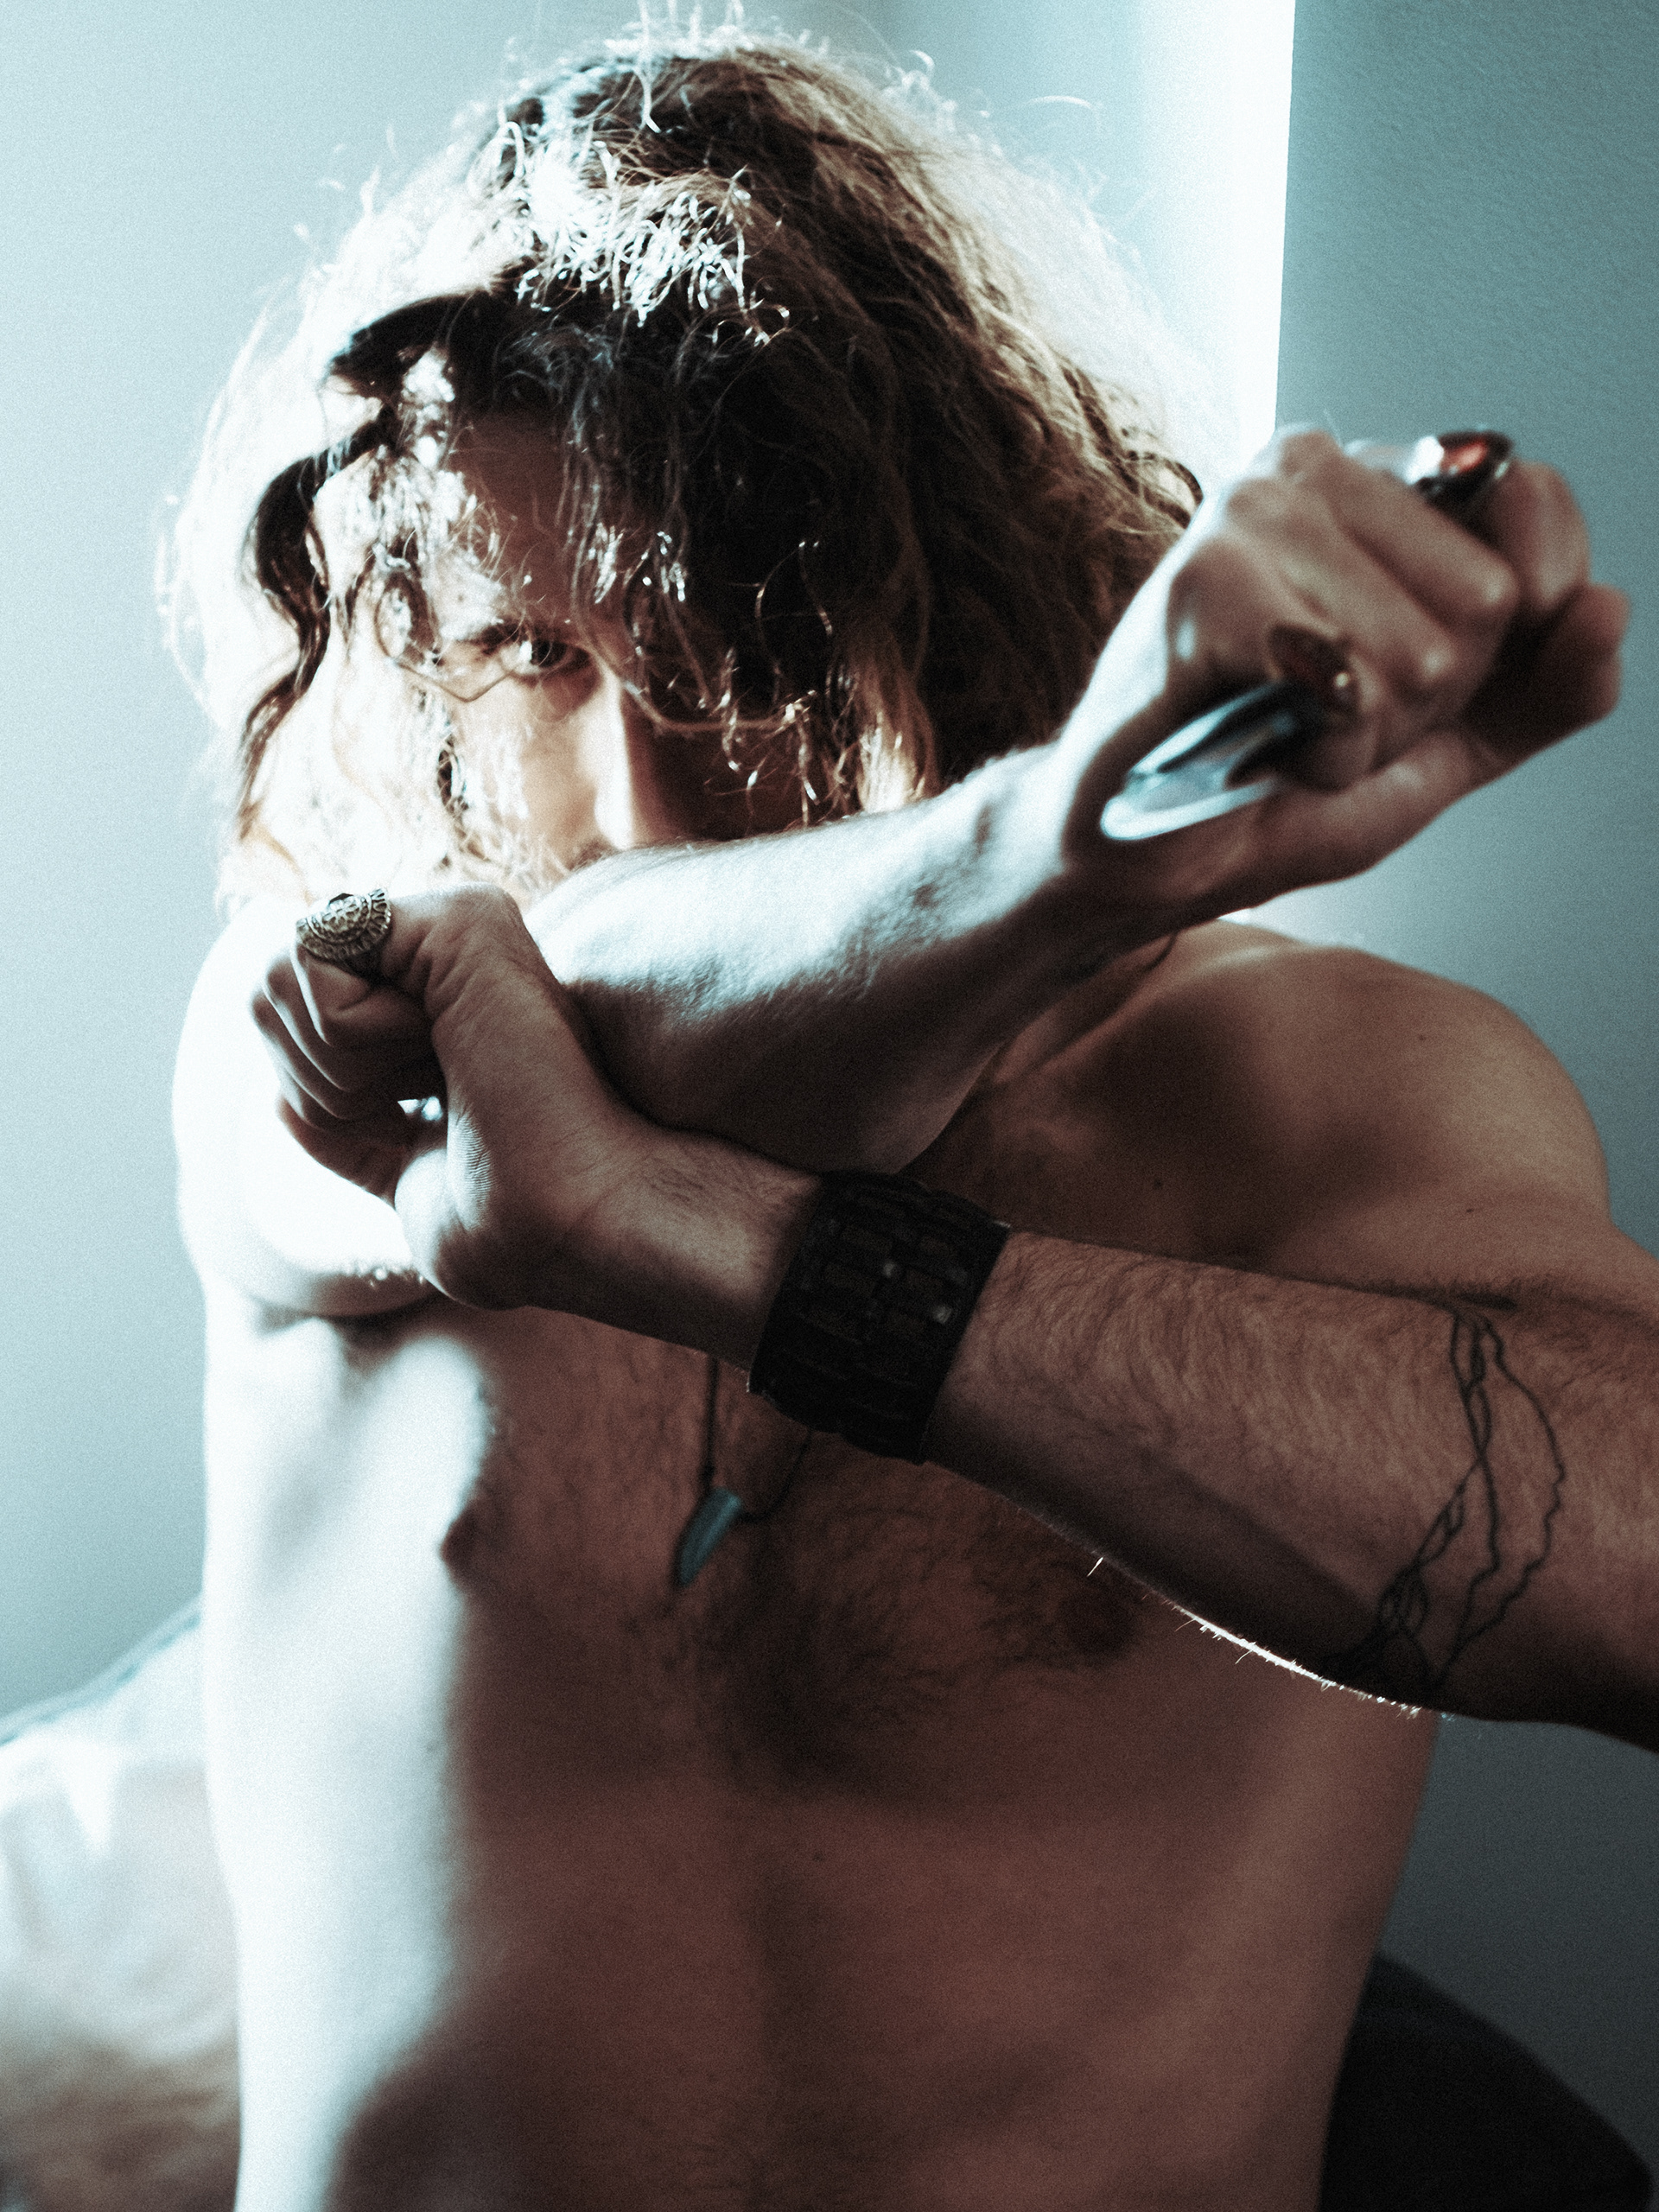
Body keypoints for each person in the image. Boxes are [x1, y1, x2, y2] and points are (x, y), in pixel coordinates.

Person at [167, 31, 1643, 2212]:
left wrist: (756, 1252)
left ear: (940, 576)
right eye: (533, 656)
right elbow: (574, 1003)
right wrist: (1059, 844)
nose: (640, 786)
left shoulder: (1320, 1090)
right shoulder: (325, 1024)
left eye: (724, 643)